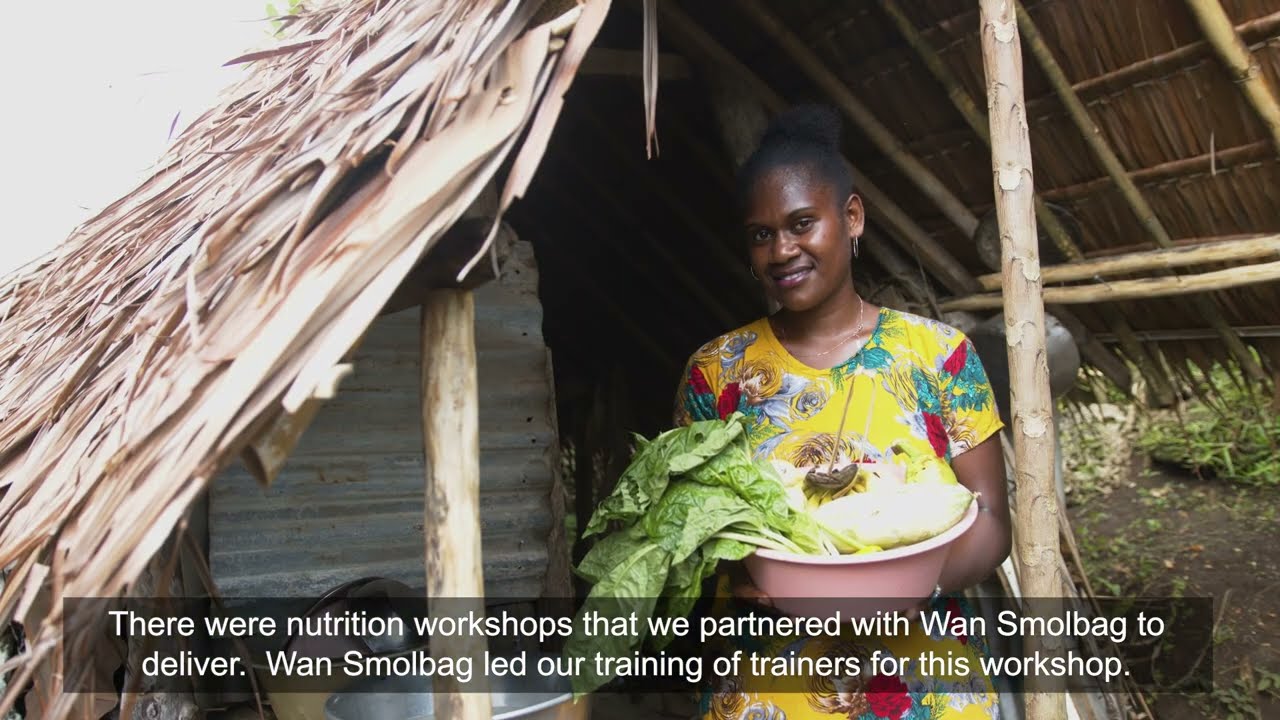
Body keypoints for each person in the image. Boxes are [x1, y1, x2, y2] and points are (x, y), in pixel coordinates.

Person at [673, 105, 1011, 720]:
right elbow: (692, 529)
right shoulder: (718, 372)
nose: (782, 250)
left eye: (803, 223)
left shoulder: (938, 357)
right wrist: (734, 577)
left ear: (851, 217)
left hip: (921, 685)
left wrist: (905, 587)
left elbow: (990, 517)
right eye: (760, 233)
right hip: (770, 687)